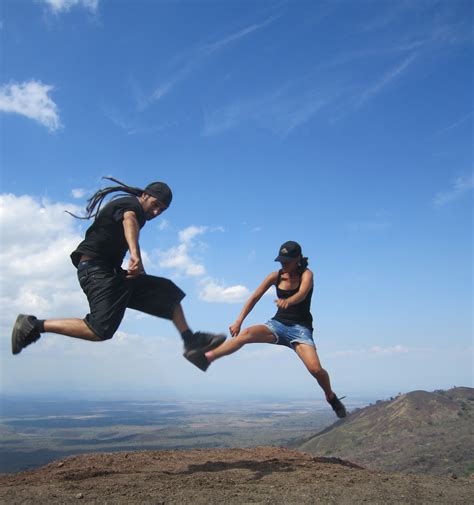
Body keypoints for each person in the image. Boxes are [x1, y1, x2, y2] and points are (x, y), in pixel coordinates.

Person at [11, 177, 225, 365]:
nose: (157, 211)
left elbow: (131, 231)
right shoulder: (130, 206)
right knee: (100, 330)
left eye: (162, 210)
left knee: (167, 291)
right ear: (144, 195)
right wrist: (134, 255)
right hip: (95, 270)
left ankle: (190, 341)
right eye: (155, 204)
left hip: (111, 272)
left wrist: (139, 269)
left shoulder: (136, 211)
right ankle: (32, 325)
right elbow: (129, 221)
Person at [186, 240, 347, 418]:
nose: (283, 265)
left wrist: (289, 301)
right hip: (277, 325)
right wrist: (239, 320)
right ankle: (206, 358)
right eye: (281, 261)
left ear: (298, 259)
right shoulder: (275, 276)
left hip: (300, 329)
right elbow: (254, 297)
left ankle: (330, 396)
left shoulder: (307, 274)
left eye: (287, 261)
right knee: (246, 334)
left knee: (316, 370)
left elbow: (302, 293)